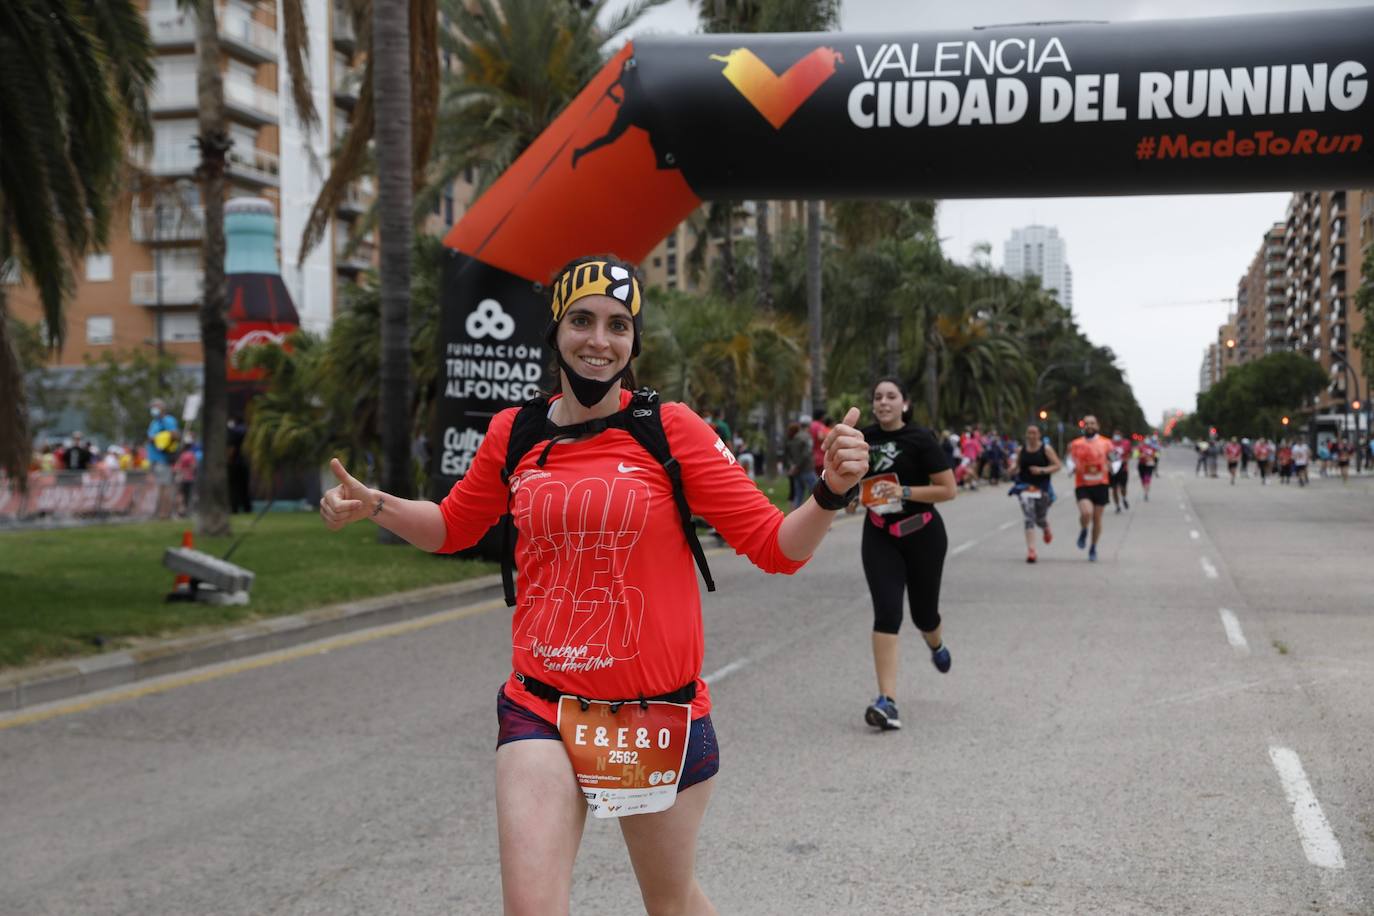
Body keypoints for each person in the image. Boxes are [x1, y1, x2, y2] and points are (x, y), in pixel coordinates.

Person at [319, 255, 869, 915]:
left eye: (617, 325)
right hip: (540, 705)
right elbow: (451, 527)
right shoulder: (513, 433)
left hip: (650, 716)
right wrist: (375, 504)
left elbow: (777, 547)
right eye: (582, 320)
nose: (598, 340)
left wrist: (833, 491)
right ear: (555, 331)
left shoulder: (669, 430)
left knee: (668, 903)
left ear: (634, 342)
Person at [848, 377, 956, 731]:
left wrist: (902, 490)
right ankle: (887, 701)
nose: (883, 402)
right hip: (880, 535)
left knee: (924, 616)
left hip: (923, 533)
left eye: (891, 397)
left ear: (904, 404)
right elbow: (849, 481)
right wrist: (849, 496)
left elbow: (948, 489)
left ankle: (935, 642)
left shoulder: (920, 439)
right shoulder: (863, 439)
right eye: (877, 397)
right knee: (887, 612)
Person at [1010, 423, 1062, 563]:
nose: (1032, 436)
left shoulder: (1046, 449)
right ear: (1026, 435)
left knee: (1040, 518)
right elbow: (1017, 466)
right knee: (1029, 517)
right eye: (1029, 433)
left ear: (1039, 435)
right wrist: (1011, 470)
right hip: (1025, 488)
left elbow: (1058, 465)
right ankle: (1031, 550)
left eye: (1034, 433)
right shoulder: (1022, 450)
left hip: (1042, 489)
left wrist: (1042, 470)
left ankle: (1045, 527)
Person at [1068, 414, 1114, 562]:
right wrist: (1072, 468)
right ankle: (1083, 530)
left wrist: (1112, 467)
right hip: (1082, 484)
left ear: (1097, 426)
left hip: (1101, 484)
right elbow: (1069, 460)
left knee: (1097, 519)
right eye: (1086, 424)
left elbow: (1114, 459)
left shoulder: (1106, 443)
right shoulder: (1076, 444)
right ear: (1083, 426)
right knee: (1086, 512)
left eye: (1092, 423)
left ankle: (1093, 547)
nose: (1089, 426)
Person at [146, 398, 180, 519]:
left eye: (155, 407)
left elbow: (175, 435)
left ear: (162, 408)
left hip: (163, 460)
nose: (153, 409)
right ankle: (160, 513)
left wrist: (161, 438)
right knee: (159, 487)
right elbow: (150, 438)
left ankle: (165, 513)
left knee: (165, 487)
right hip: (154, 460)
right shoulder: (154, 422)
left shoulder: (168, 420)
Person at [785, 420, 814, 509]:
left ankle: (795, 515)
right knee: (815, 491)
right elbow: (806, 453)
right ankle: (812, 512)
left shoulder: (790, 440)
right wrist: (798, 465)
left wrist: (793, 466)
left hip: (796, 471)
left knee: (799, 494)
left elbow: (788, 456)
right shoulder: (804, 438)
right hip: (806, 468)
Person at [227, 416, 252, 513]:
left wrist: (229, 460)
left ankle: (234, 508)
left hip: (235, 463)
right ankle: (247, 508)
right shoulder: (247, 432)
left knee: (234, 487)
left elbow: (232, 448)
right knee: (244, 487)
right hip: (245, 462)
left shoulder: (234, 432)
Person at [174, 434, 198, 517]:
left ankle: (181, 510)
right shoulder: (190, 455)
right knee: (188, 495)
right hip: (189, 478)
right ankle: (186, 511)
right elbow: (193, 466)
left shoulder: (180, 455)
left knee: (181, 495)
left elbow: (176, 468)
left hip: (181, 478)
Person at [1108, 429, 1131, 513]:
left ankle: (1124, 498)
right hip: (1112, 470)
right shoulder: (1109, 443)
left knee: (1123, 488)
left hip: (1123, 469)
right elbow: (1107, 455)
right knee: (1114, 489)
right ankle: (1117, 506)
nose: (1116, 436)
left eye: (1118, 434)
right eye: (1115, 434)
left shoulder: (1126, 443)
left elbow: (1129, 454)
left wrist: (1125, 460)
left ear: (1121, 436)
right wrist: (1111, 462)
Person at [1137, 435, 1160, 501]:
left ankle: (1146, 493)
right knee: (1143, 480)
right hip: (1141, 465)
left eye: (1149, 439)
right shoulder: (1140, 447)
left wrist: (1152, 457)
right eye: (1146, 439)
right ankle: (1145, 490)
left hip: (1149, 465)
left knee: (1147, 479)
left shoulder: (1153, 448)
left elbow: (1157, 456)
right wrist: (1141, 455)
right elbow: (1135, 455)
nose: (1147, 441)